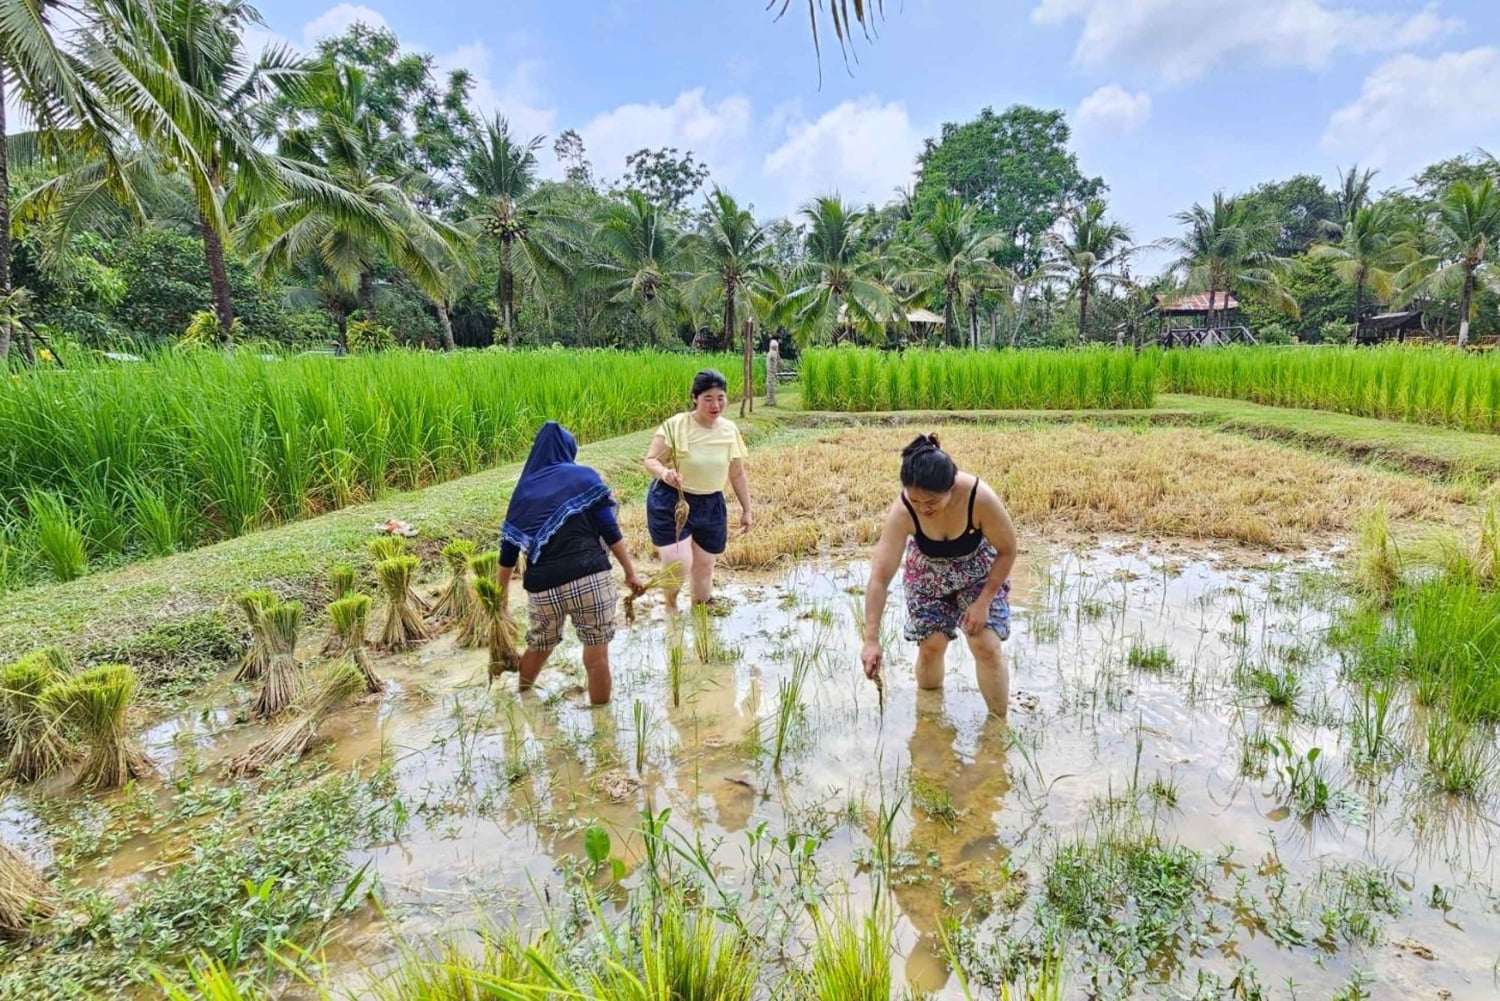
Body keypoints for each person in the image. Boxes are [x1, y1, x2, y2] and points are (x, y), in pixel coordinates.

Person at [860, 434, 1018, 717]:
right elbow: (880, 578)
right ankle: (930, 722)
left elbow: (1008, 550)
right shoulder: (904, 510)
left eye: (931, 502)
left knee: (985, 644)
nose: (923, 508)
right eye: (915, 500)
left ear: (951, 487)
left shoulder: (978, 498)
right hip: (927, 578)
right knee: (931, 645)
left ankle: (997, 727)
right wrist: (871, 639)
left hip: (978, 576)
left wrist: (983, 601)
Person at [499, 421, 644, 705]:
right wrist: (630, 572)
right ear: (568, 450)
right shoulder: (583, 478)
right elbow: (609, 529)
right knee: (596, 654)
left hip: (543, 589)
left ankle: (524, 701)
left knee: (540, 645)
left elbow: (508, 550)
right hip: (589, 577)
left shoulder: (524, 492)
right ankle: (603, 724)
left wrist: (501, 597)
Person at [643, 369, 754, 611]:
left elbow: (737, 473)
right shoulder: (676, 425)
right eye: (708, 398)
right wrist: (665, 473)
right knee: (679, 563)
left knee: (704, 566)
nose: (716, 405)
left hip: (711, 504)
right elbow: (651, 460)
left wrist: (747, 509)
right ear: (695, 398)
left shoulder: (729, 430)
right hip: (673, 501)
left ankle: (702, 614)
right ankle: (671, 610)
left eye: (721, 398)